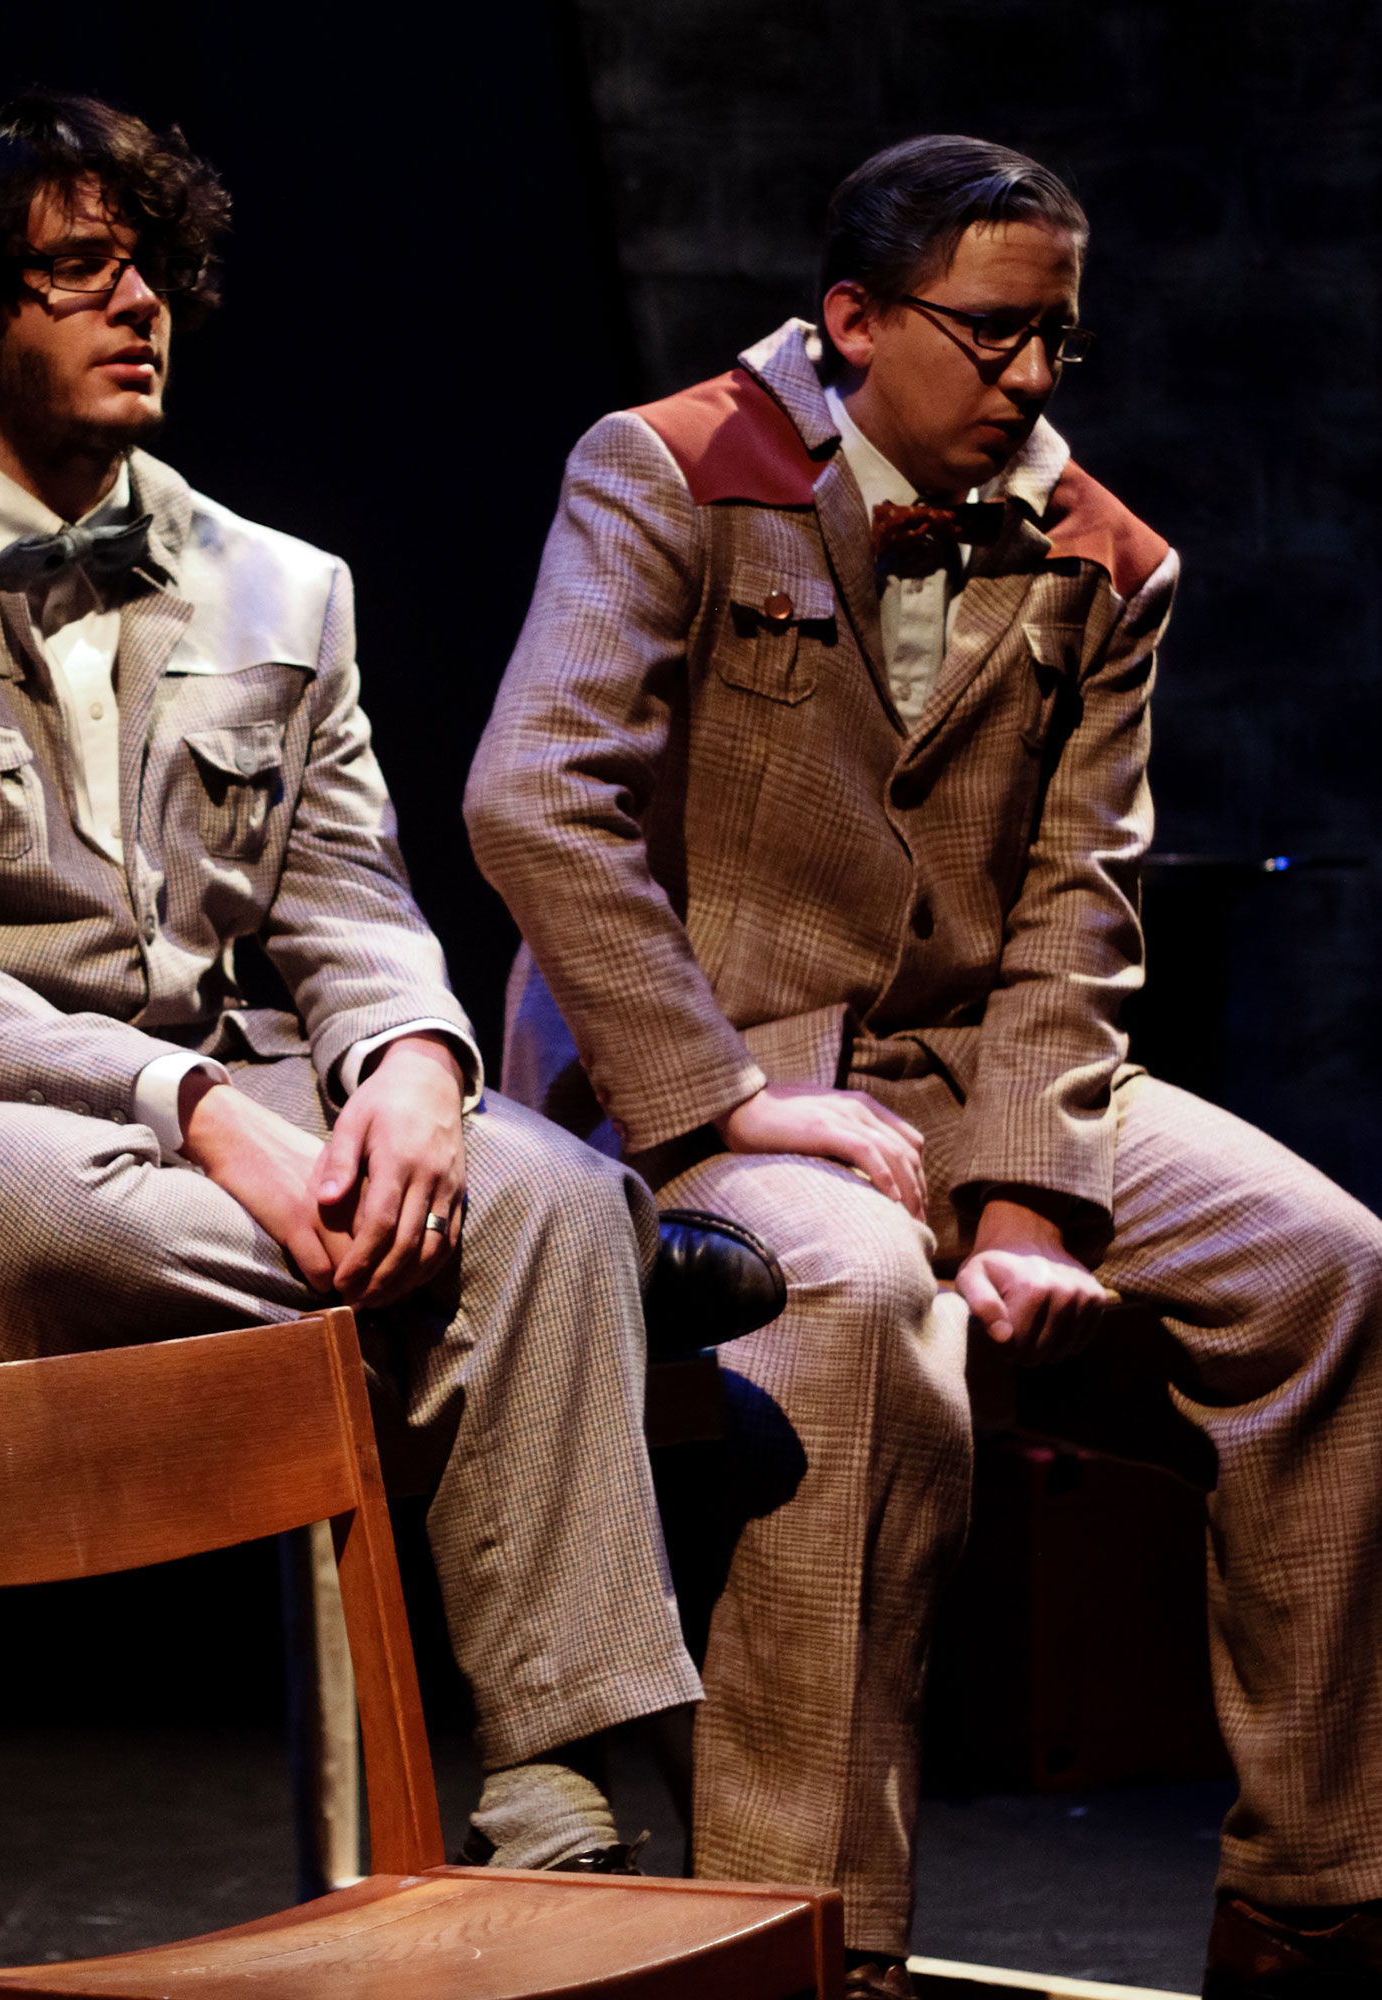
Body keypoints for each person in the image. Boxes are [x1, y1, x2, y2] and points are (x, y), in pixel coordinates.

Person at [0, 89, 711, 1873]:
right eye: (79, 269)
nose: (138, 301)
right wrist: (189, 1104)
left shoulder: (282, 586)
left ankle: (561, 1790)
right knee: (88, 1211)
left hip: (235, 1106)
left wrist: (405, 1059)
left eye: (152, 266)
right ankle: (587, 1279)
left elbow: (352, 900)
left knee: (520, 1183)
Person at [466, 133, 1382, 1996]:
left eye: (1060, 342)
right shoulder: (666, 469)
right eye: (993, 339)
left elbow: (1080, 900)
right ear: (856, 319)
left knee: (1326, 1264)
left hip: (971, 1067)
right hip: (702, 1069)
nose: (1034, 380)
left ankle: (1314, 1898)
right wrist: (723, 1099)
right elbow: (535, 804)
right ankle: (817, 1940)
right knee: (861, 1292)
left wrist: (1039, 1191)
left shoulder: (1104, 555)